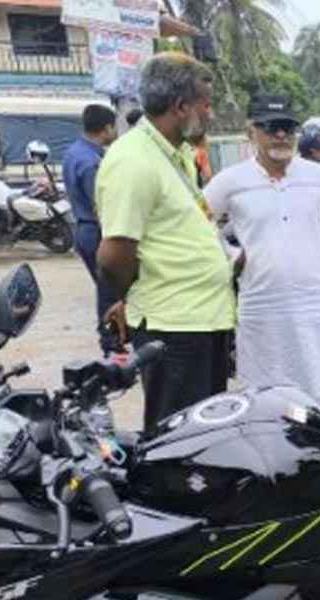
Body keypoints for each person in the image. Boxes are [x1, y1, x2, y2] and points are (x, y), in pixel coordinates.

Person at [204, 95, 320, 449]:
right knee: (273, 399)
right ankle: (289, 474)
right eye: (271, 128)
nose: (281, 136)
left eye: (288, 129)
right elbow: (195, 223)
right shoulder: (231, 180)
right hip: (265, 309)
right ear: (251, 131)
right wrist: (232, 255)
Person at [96, 52, 236, 433]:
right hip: (174, 327)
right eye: (206, 104)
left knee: (206, 431)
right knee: (175, 437)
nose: (210, 114)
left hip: (204, 318)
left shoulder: (178, 154)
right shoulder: (133, 160)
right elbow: (114, 254)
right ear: (180, 106)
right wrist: (134, 295)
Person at [62, 103, 122, 357]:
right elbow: (102, 207)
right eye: (114, 127)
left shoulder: (73, 152)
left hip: (83, 228)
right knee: (109, 290)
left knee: (105, 287)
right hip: (96, 230)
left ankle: (113, 337)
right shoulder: (92, 162)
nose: (116, 132)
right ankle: (110, 341)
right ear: (106, 128)